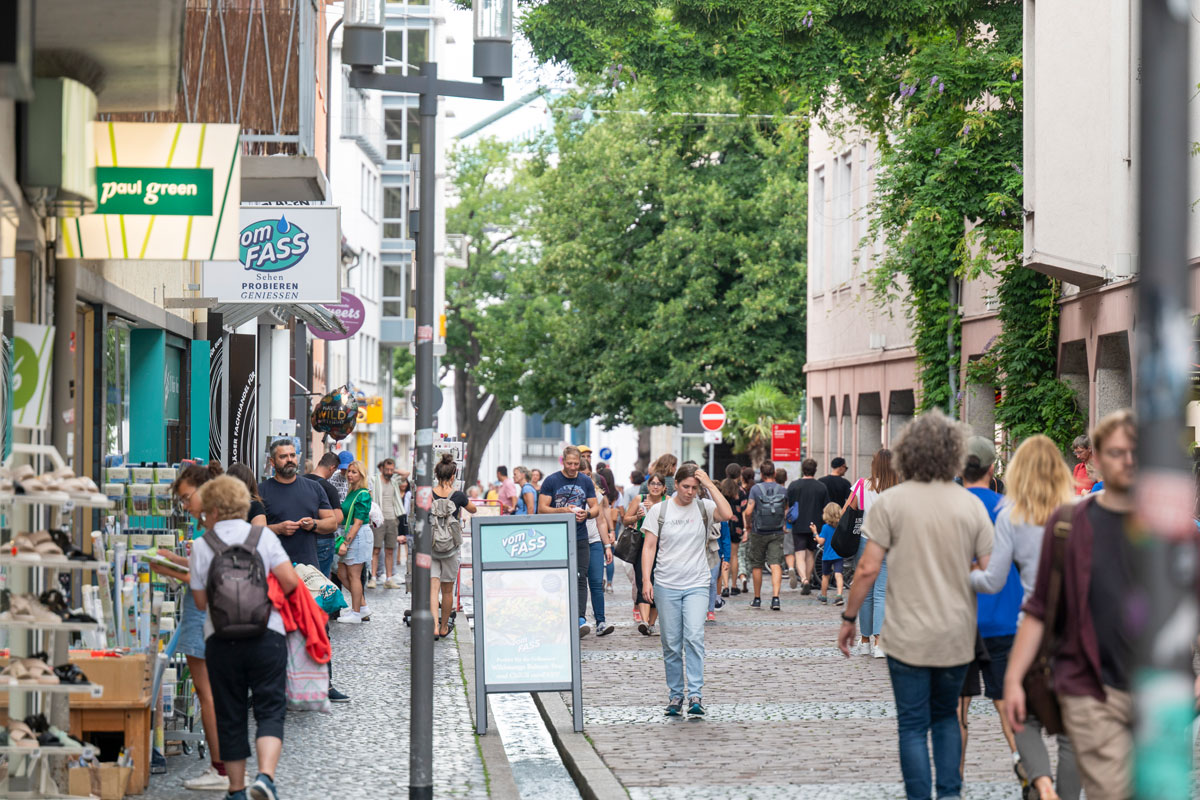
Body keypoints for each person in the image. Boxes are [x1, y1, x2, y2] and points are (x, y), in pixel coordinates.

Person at [836, 409, 994, 800]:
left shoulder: (892, 502)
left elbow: (868, 569)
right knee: (945, 718)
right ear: (953, 454)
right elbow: (988, 573)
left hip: (905, 632)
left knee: (911, 724)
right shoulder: (969, 504)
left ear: (908, 453)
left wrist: (849, 617)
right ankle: (951, 794)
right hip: (956, 631)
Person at [1005, 411, 1137, 800]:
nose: (1127, 460)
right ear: (1095, 458)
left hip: (1155, 689)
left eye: (1135, 451)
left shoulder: (1171, 527)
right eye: (1116, 452)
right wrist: (1014, 678)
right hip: (1091, 683)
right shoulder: (1069, 524)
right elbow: (1040, 607)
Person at [971, 435, 1081, 800]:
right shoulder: (1080, 512)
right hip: (1076, 633)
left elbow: (993, 580)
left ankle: (1042, 783)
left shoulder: (1010, 516)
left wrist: (962, 575)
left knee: (1022, 715)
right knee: (1071, 734)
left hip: (1030, 631)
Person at [189, 476, 299, 800]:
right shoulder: (262, 536)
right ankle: (265, 777)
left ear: (212, 507)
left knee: (230, 712)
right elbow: (290, 581)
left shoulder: (201, 545)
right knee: (269, 708)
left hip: (221, 640)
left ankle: (236, 790)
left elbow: (199, 603)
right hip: (267, 634)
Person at [154, 463, 228, 792]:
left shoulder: (213, 527)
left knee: (207, 695)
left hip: (204, 615)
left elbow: (203, 576)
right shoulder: (214, 526)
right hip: (212, 615)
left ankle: (219, 767)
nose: (185, 505)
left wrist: (168, 568)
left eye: (187, 498)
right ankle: (223, 764)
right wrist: (175, 558)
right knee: (211, 694)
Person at [641, 465, 733, 716]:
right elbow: (649, 547)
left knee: (693, 636)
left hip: (697, 583)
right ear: (676, 485)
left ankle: (695, 694)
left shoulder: (704, 506)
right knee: (671, 643)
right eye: (686, 487)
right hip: (666, 584)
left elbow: (727, 513)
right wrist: (646, 581)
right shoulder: (660, 511)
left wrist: (710, 485)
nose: (690, 492)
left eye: (695, 487)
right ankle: (675, 696)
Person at [956, 435, 1023, 779]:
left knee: (957, 709)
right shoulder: (1009, 508)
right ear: (992, 468)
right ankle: (1026, 768)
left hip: (957, 620)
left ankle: (955, 778)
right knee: (1007, 702)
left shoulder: (948, 508)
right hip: (1004, 616)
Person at [260, 441, 346, 703]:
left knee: (319, 625)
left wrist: (314, 524)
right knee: (273, 630)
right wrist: (278, 529)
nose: (289, 460)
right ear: (272, 462)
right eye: (283, 456)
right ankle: (268, 689)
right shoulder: (262, 491)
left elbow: (332, 522)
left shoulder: (313, 488)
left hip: (309, 570)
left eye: (292, 455)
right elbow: (254, 529)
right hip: (274, 572)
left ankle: (325, 684)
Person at [539, 446, 600, 638]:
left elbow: (596, 507)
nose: (573, 468)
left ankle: (580, 618)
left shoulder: (585, 480)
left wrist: (587, 513)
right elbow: (542, 509)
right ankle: (557, 615)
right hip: (556, 536)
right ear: (562, 461)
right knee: (557, 578)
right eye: (569, 464)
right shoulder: (551, 480)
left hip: (580, 536)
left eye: (576, 464)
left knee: (581, 577)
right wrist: (562, 511)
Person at [847, 448, 901, 658]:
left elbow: (847, 512)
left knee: (866, 593)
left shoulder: (861, 485)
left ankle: (865, 640)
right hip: (888, 542)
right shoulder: (898, 489)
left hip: (864, 542)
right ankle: (880, 642)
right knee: (881, 592)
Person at [432, 453, 477, 639]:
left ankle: (433, 627)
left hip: (431, 544)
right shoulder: (458, 496)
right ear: (453, 476)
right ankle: (443, 628)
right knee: (448, 589)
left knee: (432, 589)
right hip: (451, 547)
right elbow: (473, 509)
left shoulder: (428, 494)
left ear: (436, 475)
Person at [624, 473, 667, 634]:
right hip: (643, 544)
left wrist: (655, 511)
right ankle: (644, 621)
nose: (655, 486)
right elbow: (625, 519)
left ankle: (652, 623)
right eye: (653, 483)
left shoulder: (668, 502)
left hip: (662, 546)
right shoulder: (639, 499)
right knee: (643, 580)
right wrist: (637, 516)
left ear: (663, 487)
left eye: (659, 484)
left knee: (658, 582)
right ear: (648, 486)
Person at [743, 460, 788, 611]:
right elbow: (786, 510)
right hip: (777, 531)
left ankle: (757, 598)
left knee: (757, 564)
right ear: (774, 473)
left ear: (761, 475)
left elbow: (749, 511)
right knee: (776, 564)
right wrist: (784, 523)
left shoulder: (755, 489)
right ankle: (776, 598)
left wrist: (748, 525)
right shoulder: (783, 490)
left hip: (758, 531)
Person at [335, 461, 373, 623]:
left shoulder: (363, 494)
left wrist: (346, 542)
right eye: (349, 471)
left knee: (354, 575)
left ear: (361, 475)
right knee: (342, 573)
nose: (350, 474)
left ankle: (356, 613)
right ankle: (362, 606)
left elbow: (357, 523)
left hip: (357, 536)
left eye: (354, 472)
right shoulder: (353, 492)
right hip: (350, 533)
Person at [581, 461, 616, 635]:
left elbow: (600, 520)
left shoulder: (596, 494)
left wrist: (607, 546)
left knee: (595, 583)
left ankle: (601, 622)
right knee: (578, 583)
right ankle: (580, 621)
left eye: (588, 474)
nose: (585, 477)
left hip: (594, 542)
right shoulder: (569, 493)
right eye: (582, 473)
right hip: (575, 543)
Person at [786, 458, 830, 594]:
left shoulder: (793, 486)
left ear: (802, 469)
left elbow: (789, 506)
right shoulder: (821, 487)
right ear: (815, 470)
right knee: (810, 553)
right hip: (815, 525)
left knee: (799, 553)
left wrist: (787, 524)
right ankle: (809, 580)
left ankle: (804, 579)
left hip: (798, 524)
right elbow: (826, 507)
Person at [304, 453, 345, 579]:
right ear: (332, 468)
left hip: (303, 537)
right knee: (321, 580)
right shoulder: (329, 488)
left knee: (305, 577)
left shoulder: (300, 481)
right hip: (323, 539)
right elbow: (338, 518)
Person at [369, 458, 404, 589]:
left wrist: (395, 471)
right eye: (387, 469)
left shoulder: (394, 482)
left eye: (391, 469)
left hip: (392, 519)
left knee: (390, 549)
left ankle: (389, 578)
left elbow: (406, 474)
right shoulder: (374, 480)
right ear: (382, 469)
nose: (389, 472)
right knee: (376, 549)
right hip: (378, 519)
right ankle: (373, 577)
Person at [718, 464, 743, 599]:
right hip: (737, 525)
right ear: (739, 474)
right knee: (733, 555)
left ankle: (724, 585)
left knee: (723, 554)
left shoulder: (722, 488)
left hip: (722, 522)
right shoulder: (740, 491)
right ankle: (734, 585)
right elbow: (744, 510)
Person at [812, 502, 844, 604]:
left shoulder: (825, 527)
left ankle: (824, 596)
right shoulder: (841, 526)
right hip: (838, 554)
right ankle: (839, 595)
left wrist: (815, 532)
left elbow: (821, 541)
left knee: (825, 576)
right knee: (838, 575)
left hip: (827, 556)